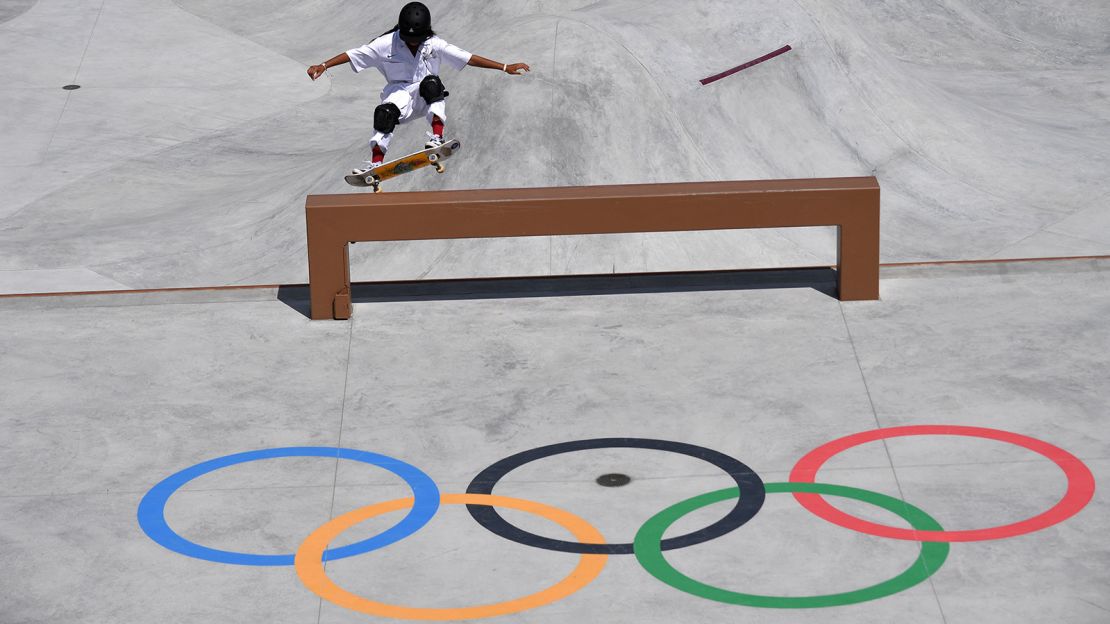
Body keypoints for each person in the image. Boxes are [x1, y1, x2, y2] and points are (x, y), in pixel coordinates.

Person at [307, 2, 530, 174]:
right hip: (398, 95)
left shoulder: (434, 43)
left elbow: (468, 58)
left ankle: (437, 137)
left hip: (427, 97)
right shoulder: (386, 43)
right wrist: (324, 65)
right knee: (384, 114)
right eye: (408, 39)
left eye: (418, 39)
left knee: (432, 84)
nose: (413, 43)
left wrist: (504, 67)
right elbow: (352, 54)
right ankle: (374, 165)